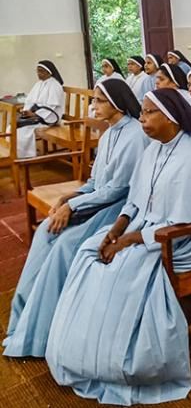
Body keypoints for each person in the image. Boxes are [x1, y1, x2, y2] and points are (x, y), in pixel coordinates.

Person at [45, 89, 191, 406]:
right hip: (148, 228)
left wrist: (130, 240)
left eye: (149, 113)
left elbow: (187, 222)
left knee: (122, 267)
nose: (142, 118)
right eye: (143, 111)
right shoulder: (153, 150)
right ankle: (83, 346)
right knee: (89, 251)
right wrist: (117, 229)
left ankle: (122, 361)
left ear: (171, 117)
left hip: (187, 238)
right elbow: (135, 200)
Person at [3, 79, 147, 358]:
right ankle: (26, 315)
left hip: (118, 209)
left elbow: (117, 190)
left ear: (116, 102)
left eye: (98, 101)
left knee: (65, 246)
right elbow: (95, 181)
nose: (93, 106)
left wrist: (75, 205)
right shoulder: (108, 135)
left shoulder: (134, 136)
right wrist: (68, 199)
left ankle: (46, 330)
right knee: (46, 229)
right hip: (96, 200)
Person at [16, 61, 66, 158]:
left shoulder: (55, 85)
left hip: (49, 117)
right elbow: (30, 100)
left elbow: (52, 107)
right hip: (37, 114)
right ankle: (17, 153)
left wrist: (35, 114)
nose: (38, 73)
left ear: (49, 72)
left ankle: (25, 155)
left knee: (22, 129)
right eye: (37, 71)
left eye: (41, 71)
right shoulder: (38, 84)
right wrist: (26, 111)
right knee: (14, 125)